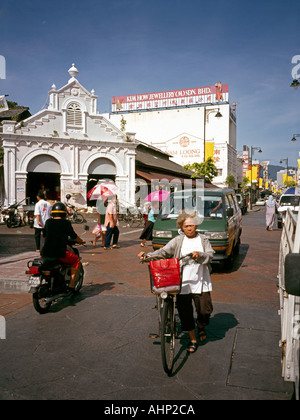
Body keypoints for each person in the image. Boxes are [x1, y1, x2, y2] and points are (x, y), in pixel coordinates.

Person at [138, 210, 214, 354]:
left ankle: (201, 324)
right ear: (182, 228)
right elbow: (163, 252)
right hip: (182, 282)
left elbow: (210, 255)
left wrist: (200, 254)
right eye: (186, 226)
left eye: (192, 225)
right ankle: (192, 339)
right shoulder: (178, 240)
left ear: (196, 225)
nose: (189, 228)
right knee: (185, 312)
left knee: (205, 310)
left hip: (201, 280)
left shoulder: (203, 240)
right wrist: (147, 255)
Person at [41, 202, 85, 291]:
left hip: (45, 252)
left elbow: (44, 235)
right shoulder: (66, 223)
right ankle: (72, 284)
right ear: (64, 213)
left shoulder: (48, 222)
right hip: (60, 253)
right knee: (76, 260)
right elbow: (73, 236)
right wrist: (81, 241)